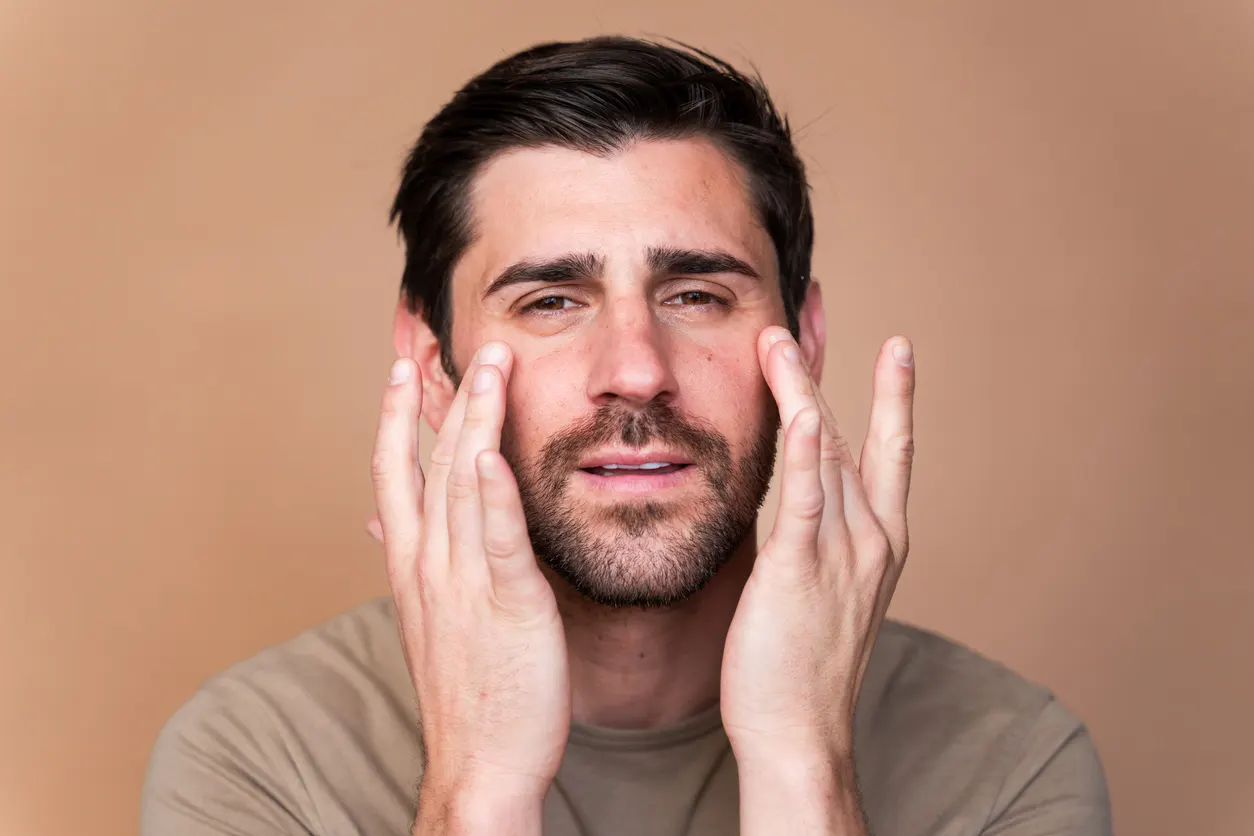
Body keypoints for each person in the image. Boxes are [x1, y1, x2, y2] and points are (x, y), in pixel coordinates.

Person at [141, 35, 1112, 836]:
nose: (638, 367)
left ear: (804, 339)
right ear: (430, 358)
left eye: (696, 294)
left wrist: (803, 765)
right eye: (552, 299)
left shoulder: (1010, 761)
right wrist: (476, 790)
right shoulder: (256, 756)